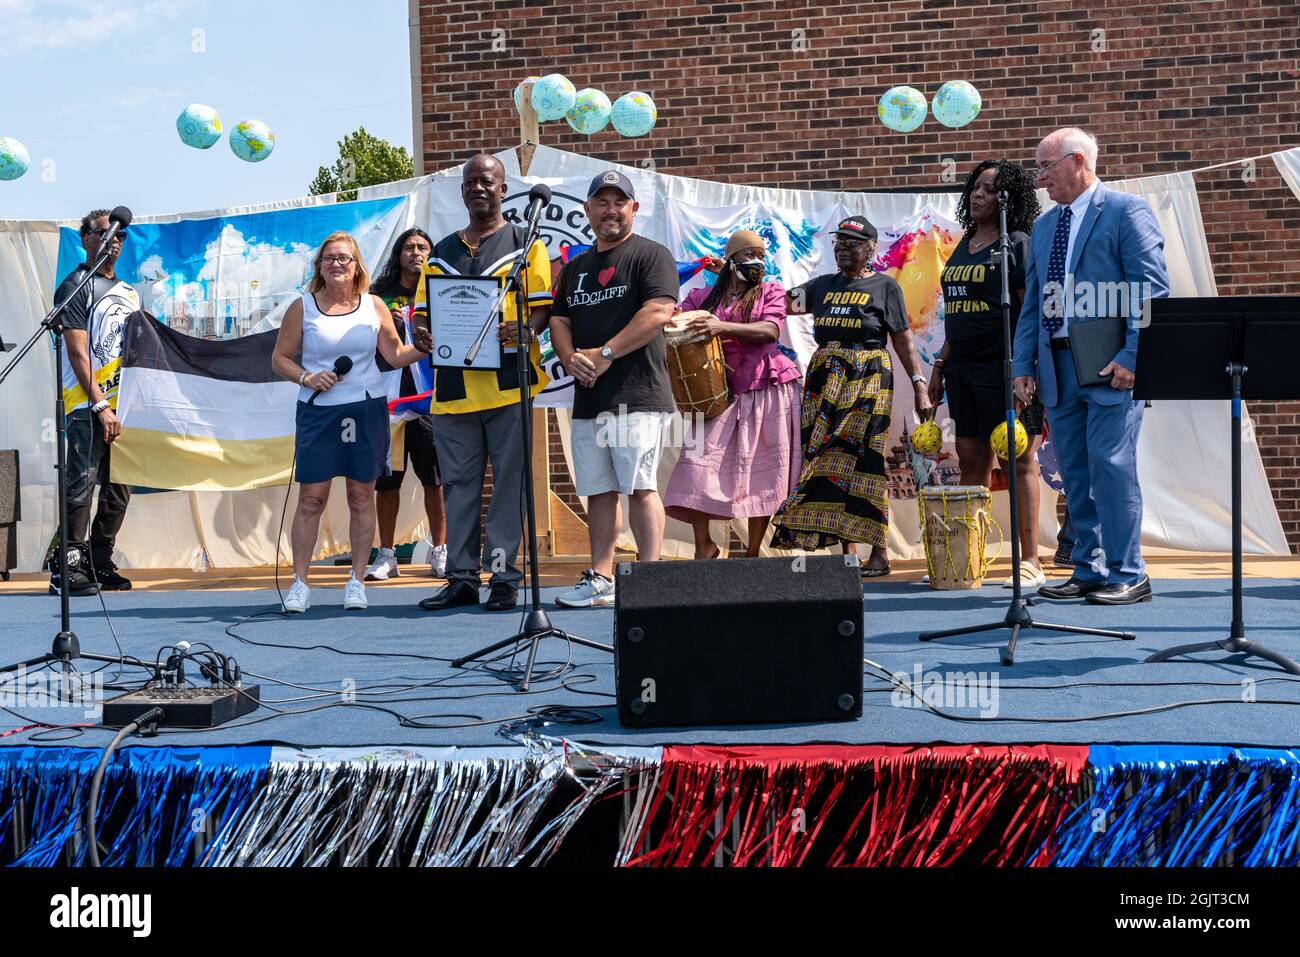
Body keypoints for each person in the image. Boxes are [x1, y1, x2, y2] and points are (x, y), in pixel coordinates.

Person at [1013, 127, 1169, 605]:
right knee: (1075, 472)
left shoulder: (1126, 211)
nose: (1039, 179)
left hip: (1110, 368)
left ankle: (1129, 572)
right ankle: (1090, 567)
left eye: (1045, 167)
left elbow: (1151, 290)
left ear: (1077, 161)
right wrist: (1024, 362)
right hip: (1057, 368)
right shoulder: (1044, 227)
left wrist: (1133, 356)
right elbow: (1034, 303)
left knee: (1111, 465)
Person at [414, 153, 554, 613]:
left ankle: (504, 578)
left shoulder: (524, 241)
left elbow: (541, 306)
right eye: (471, 181)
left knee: (510, 484)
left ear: (503, 188)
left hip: (508, 383)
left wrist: (529, 330)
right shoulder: (441, 251)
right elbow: (422, 311)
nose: (479, 188)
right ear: (462, 191)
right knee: (458, 484)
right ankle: (461, 579)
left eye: (487, 181)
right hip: (453, 388)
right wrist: (421, 331)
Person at [271, 231, 431, 612]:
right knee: (312, 499)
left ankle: (356, 581)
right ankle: (300, 584)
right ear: (319, 266)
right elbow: (280, 358)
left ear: (357, 265)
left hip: (365, 408)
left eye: (344, 258)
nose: (337, 264)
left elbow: (393, 355)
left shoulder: (373, 305)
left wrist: (423, 347)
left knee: (361, 497)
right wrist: (306, 378)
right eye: (329, 258)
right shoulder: (302, 307)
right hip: (317, 411)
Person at [770, 215, 933, 577]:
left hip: (870, 375)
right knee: (829, 458)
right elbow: (776, 304)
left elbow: (903, 341)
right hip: (826, 382)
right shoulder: (821, 287)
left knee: (867, 460)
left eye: (852, 242)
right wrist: (736, 277)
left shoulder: (884, 287)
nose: (843, 247)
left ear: (871, 249)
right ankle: (849, 552)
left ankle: (880, 552)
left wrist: (920, 385)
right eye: (839, 242)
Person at [549, 170, 679, 608]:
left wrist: (604, 354)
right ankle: (601, 578)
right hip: (589, 397)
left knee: (640, 486)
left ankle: (648, 580)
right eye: (601, 202)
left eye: (618, 202)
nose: (610, 210)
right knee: (599, 489)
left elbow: (659, 312)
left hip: (638, 393)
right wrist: (570, 359)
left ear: (633, 209)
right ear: (587, 210)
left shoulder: (650, 255)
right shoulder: (575, 269)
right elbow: (559, 319)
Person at [929, 160, 1047, 587]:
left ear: (1008, 198)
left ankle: (1031, 559)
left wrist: (1025, 369)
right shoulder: (965, 242)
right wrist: (941, 363)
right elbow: (956, 314)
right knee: (972, 461)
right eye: (975, 187)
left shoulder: (1017, 243)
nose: (979, 194)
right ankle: (966, 559)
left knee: (1019, 460)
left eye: (990, 189)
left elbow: (1027, 311)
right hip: (962, 369)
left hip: (1006, 370)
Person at [663, 229, 802, 558]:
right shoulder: (703, 298)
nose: (756, 262)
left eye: (761, 257)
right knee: (696, 464)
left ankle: (753, 552)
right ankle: (704, 546)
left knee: (765, 472)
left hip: (769, 386)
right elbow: (673, 322)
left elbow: (770, 330)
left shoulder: (770, 291)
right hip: (718, 393)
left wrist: (720, 327)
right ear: (731, 261)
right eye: (748, 255)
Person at [50, 209, 141, 596]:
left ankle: (100, 560)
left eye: (121, 235)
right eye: (106, 232)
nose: (114, 240)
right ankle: (67, 565)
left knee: (120, 487)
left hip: (126, 406)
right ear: (86, 238)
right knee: (82, 482)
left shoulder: (130, 292)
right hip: (89, 405)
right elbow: (77, 353)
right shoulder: (75, 285)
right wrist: (100, 405)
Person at [364, 227, 448, 582]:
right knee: (387, 481)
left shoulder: (440, 291)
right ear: (398, 253)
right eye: (410, 247)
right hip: (389, 400)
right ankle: (386, 555)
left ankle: (441, 551)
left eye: (423, 247)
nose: (417, 253)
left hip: (429, 399)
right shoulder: (377, 296)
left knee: (435, 479)